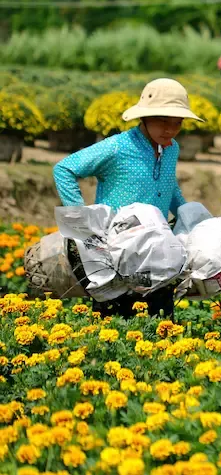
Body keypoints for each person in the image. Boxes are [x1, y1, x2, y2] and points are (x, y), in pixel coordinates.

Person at [53, 78, 205, 319]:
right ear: (144, 118)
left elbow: (170, 186)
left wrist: (190, 218)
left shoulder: (171, 148)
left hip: (157, 251)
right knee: (117, 322)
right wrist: (81, 223)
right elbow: (65, 169)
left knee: (159, 320)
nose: (170, 129)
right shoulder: (117, 147)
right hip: (116, 252)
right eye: (162, 121)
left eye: (177, 123)